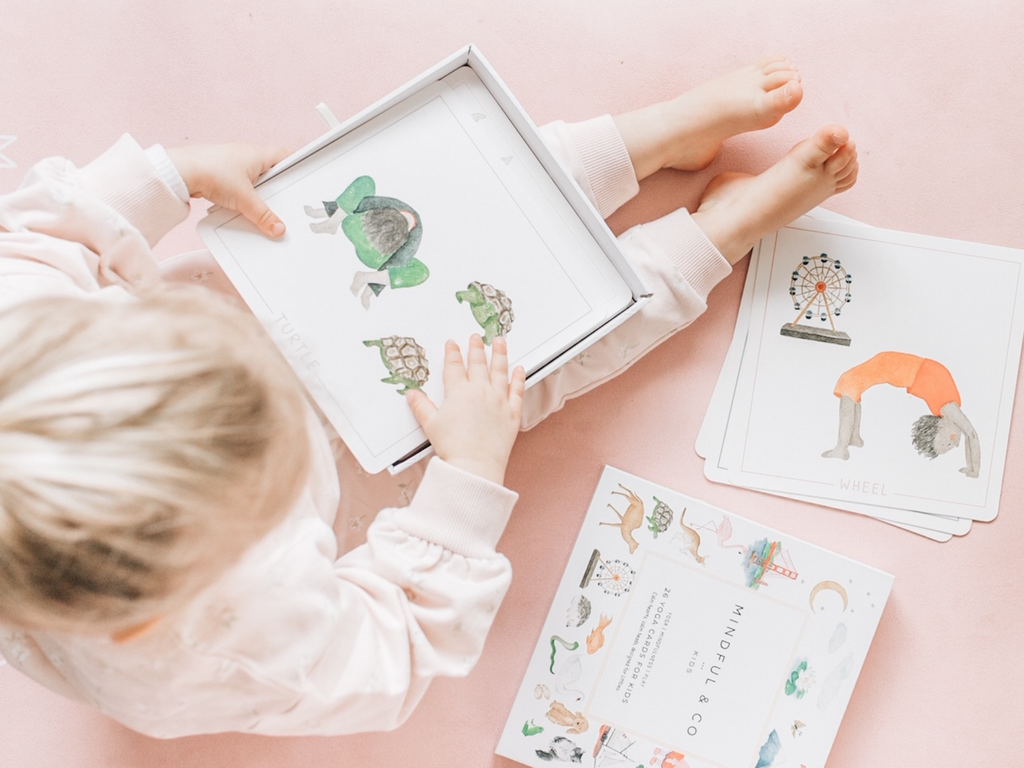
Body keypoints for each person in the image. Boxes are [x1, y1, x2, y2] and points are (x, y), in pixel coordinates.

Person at [0, 56, 857, 737]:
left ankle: (636, 143)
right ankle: (712, 237)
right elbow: (389, 651)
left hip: (255, 297)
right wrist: (467, 472)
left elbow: (35, 240)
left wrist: (169, 175)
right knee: (520, 363)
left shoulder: (20, 331)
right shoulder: (223, 656)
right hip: (371, 455)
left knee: (435, 208)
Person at [821, 351, 980, 476]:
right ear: (940, 430)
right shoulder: (947, 407)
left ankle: (851, 439)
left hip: (902, 369)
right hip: (903, 368)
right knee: (849, 383)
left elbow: (968, 435)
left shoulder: (944, 409)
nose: (955, 443)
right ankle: (844, 446)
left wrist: (970, 466)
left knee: (850, 384)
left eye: (949, 445)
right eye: (949, 444)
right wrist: (974, 470)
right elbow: (971, 434)